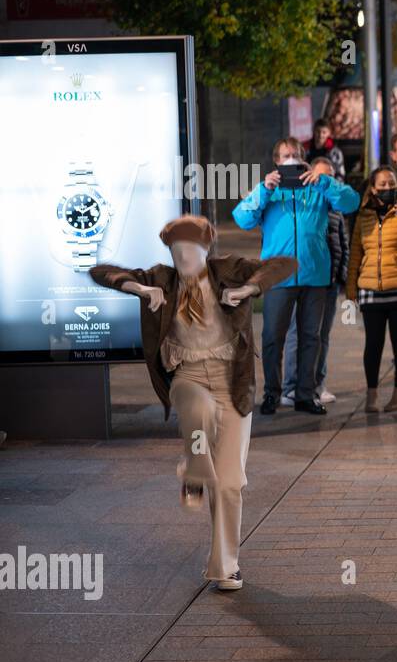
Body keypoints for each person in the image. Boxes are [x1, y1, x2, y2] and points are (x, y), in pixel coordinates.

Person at [90, 216, 296, 590]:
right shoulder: (161, 278)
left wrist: (248, 289)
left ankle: (225, 565)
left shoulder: (228, 270)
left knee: (231, 482)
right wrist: (139, 288)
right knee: (194, 406)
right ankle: (197, 469)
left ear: (206, 249)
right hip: (188, 375)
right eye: (177, 251)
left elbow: (284, 263)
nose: (184, 258)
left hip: (233, 381)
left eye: (192, 250)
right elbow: (100, 271)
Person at [233, 137, 360, 415]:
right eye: (284, 155)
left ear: (303, 159)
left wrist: (324, 180)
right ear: (277, 161)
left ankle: (305, 394)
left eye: (295, 155)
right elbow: (242, 219)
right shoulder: (268, 191)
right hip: (278, 276)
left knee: (310, 337)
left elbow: (351, 202)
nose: (290, 159)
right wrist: (263, 190)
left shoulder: (317, 189)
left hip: (314, 274)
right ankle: (271, 394)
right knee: (272, 338)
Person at [346, 166, 397, 413]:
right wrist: (351, 292)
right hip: (371, 287)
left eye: (391, 183)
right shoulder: (364, 213)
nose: (387, 188)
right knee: (373, 344)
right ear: (372, 188)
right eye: (381, 184)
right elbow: (355, 254)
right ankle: (371, 394)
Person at [283, 157, 355, 405]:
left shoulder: (335, 207)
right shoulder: (303, 205)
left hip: (329, 281)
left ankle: (317, 384)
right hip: (304, 280)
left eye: (331, 176)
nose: (326, 181)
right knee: (298, 333)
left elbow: (343, 245)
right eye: (321, 176)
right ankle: (290, 386)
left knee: (321, 335)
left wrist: (343, 275)